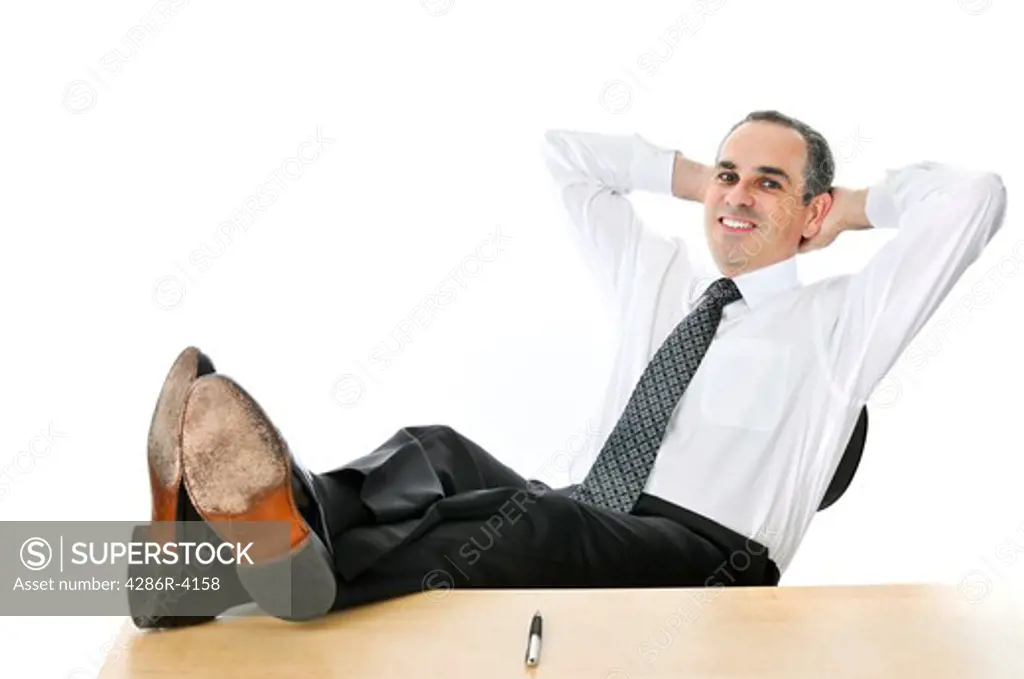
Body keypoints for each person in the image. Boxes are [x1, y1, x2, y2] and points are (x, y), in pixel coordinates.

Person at [132, 110, 1007, 628]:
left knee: (521, 520)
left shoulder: (844, 322)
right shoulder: (660, 281)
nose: (738, 194)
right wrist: (710, 178)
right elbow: (567, 157)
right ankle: (254, 538)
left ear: (810, 210)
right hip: (591, 513)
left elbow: (975, 198)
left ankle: (238, 573)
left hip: (711, 560)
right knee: (436, 453)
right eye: (729, 175)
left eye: (768, 184)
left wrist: (843, 209)